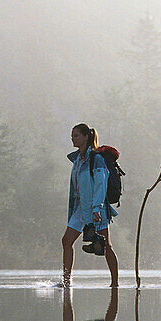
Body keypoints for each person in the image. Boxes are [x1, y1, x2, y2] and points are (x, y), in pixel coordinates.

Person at [62, 123, 119, 287]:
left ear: (86, 137)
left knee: (106, 245)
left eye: (76, 136)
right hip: (80, 209)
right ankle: (66, 281)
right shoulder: (77, 160)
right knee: (66, 241)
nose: (73, 139)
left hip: (97, 209)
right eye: (72, 136)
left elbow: (101, 184)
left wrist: (97, 208)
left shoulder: (96, 159)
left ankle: (115, 283)